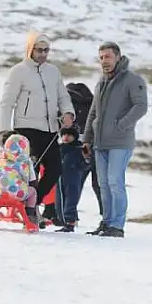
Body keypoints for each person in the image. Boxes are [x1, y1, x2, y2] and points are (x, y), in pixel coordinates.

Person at [0, 32, 74, 220]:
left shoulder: (53, 72)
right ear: (30, 49)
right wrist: (4, 131)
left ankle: (31, 205)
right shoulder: (19, 71)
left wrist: (68, 113)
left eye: (46, 50)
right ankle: (31, 213)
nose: (42, 54)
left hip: (49, 129)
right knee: (30, 172)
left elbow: (63, 96)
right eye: (39, 50)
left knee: (55, 169)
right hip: (26, 129)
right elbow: (7, 102)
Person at [81, 42, 148, 238]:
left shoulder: (132, 80)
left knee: (115, 182)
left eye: (108, 57)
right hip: (100, 142)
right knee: (103, 184)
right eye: (101, 57)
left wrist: (121, 125)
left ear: (118, 57)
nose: (104, 61)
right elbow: (93, 112)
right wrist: (87, 138)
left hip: (120, 141)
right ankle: (107, 222)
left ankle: (117, 226)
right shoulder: (101, 82)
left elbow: (141, 106)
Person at [54, 82, 101, 232]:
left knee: (68, 185)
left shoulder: (66, 104)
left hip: (72, 147)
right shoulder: (92, 103)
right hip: (92, 146)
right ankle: (106, 217)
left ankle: (63, 217)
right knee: (98, 184)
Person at [0, 133, 39, 223]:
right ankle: (30, 215)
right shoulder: (26, 162)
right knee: (33, 192)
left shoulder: (0, 159)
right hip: (17, 193)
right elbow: (32, 181)